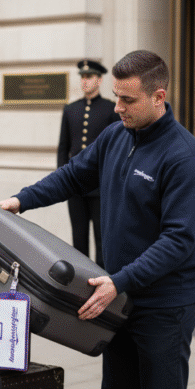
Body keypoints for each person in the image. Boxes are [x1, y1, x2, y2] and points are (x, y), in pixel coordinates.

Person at [0, 50, 195, 389]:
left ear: (159, 96)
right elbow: (73, 175)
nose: (117, 108)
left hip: (164, 307)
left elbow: (178, 241)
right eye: (116, 97)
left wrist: (120, 280)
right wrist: (20, 201)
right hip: (116, 301)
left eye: (128, 100)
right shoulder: (116, 137)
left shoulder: (185, 158)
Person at [57, 59, 120, 265]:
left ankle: (102, 277)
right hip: (75, 185)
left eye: (89, 77)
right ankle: (81, 279)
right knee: (79, 236)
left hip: (100, 185)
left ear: (99, 80)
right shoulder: (71, 109)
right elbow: (63, 148)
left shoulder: (110, 110)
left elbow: (116, 148)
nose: (85, 81)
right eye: (82, 77)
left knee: (102, 236)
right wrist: (62, 179)